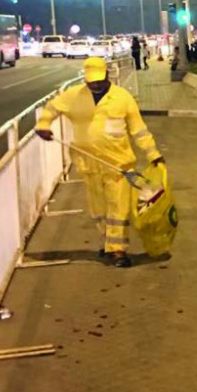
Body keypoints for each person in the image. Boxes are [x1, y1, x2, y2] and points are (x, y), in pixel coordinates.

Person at [35, 57, 163, 268]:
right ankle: (108, 241)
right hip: (89, 164)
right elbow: (51, 108)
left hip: (118, 165)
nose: (94, 84)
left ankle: (118, 250)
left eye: (98, 80)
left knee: (118, 209)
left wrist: (153, 154)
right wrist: (43, 124)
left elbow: (138, 130)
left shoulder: (122, 98)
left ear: (107, 75)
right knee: (98, 209)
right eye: (90, 80)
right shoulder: (73, 96)